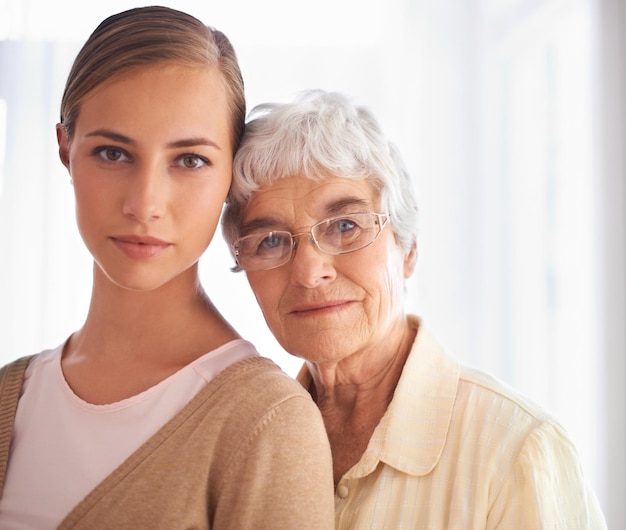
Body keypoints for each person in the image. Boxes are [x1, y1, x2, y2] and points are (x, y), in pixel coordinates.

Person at [0, 8, 334, 529]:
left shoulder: (266, 423)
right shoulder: (9, 395)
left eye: (190, 160)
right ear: (65, 149)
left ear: (231, 174)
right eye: (112, 153)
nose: (145, 203)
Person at [221, 89, 608, 528]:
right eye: (270, 240)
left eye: (346, 225)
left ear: (408, 249)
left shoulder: (517, 449)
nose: (308, 272)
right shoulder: (248, 447)